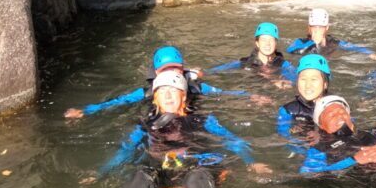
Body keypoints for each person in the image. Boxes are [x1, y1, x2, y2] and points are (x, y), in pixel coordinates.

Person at [89, 70, 268, 188]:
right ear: (155, 97)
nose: (167, 95)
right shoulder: (145, 124)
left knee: (198, 174)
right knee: (142, 173)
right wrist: (101, 172)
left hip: (195, 168)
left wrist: (251, 161)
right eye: (162, 91)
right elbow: (125, 150)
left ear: (183, 95)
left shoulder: (203, 119)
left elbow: (233, 141)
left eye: (173, 91)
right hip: (161, 172)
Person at [65, 45, 249, 119]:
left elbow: (223, 93)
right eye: (165, 70)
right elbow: (118, 101)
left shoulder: (195, 86)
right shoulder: (147, 92)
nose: (171, 73)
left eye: (176, 68)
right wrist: (87, 111)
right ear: (156, 72)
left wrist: (249, 96)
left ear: (182, 69)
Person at [207, 22, 297, 85]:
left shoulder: (284, 65)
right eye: (263, 40)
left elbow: (296, 80)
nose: (267, 44)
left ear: (276, 43)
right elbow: (217, 70)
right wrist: (203, 72)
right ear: (257, 43)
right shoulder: (244, 63)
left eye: (271, 40)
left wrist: (286, 83)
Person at [276, 54, 331, 141]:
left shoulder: (337, 109)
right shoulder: (288, 110)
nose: (308, 85)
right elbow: (284, 136)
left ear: (325, 84)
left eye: (314, 79)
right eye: (303, 79)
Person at [286, 8, 376, 58]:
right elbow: (290, 50)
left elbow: (352, 47)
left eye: (321, 27)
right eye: (314, 27)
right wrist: (313, 43)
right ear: (309, 28)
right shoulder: (301, 42)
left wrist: (369, 52)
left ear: (327, 28)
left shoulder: (333, 42)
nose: (317, 30)